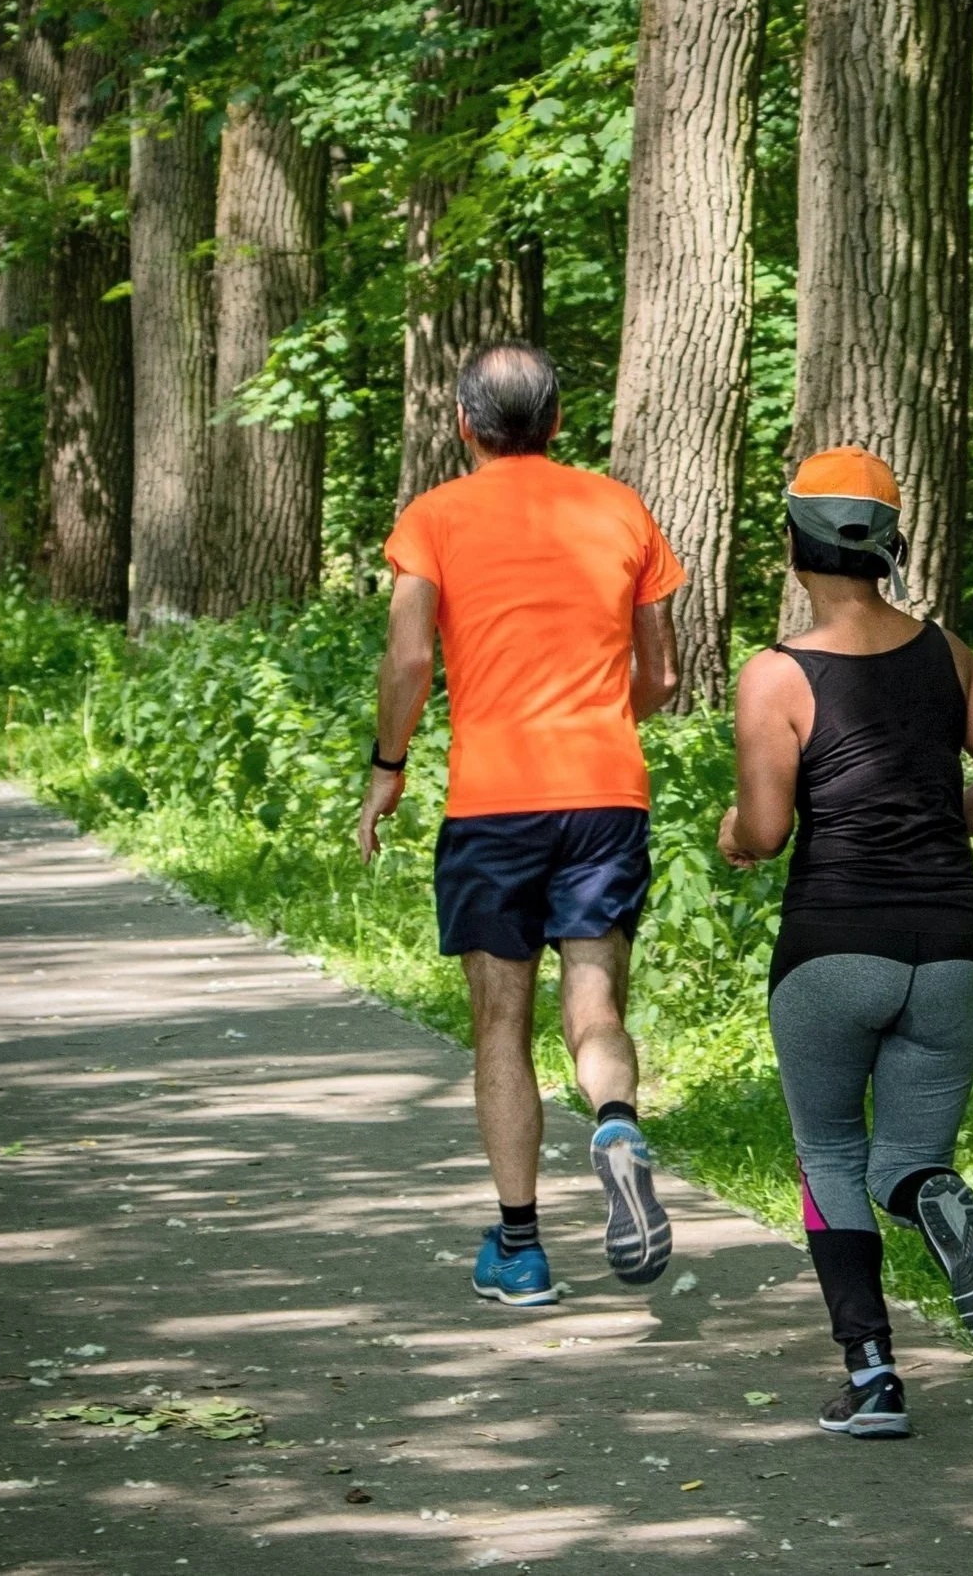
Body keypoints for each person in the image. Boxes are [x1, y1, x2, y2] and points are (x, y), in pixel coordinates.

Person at [719, 447, 973, 1438]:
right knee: (901, 1160)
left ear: (794, 545)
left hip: (833, 943)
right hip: (947, 944)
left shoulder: (777, 673)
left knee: (828, 1153)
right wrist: (938, 827)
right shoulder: (947, 655)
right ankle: (932, 1194)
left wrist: (732, 838)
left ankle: (872, 1379)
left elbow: (767, 831)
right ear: (888, 544)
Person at [357, 341, 685, 1306]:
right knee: (596, 997)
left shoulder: (433, 518)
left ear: (464, 423)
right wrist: (601, 723)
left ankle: (522, 1248)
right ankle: (617, 1122)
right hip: (604, 793)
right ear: (556, 423)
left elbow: (411, 661)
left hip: (494, 802)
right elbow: (659, 678)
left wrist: (388, 766)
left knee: (502, 1023)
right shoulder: (619, 507)